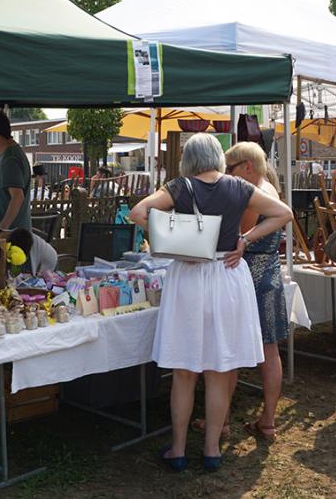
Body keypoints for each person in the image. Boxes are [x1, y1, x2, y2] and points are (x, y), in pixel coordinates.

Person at [130, 133, 292, 472]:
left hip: (189, 276)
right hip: (227, 274)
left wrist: (173, 241)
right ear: (218, 156)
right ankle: (212, 449)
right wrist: (246, 239)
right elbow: (283, 213)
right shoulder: (238, 187)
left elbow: (138, 212)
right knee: (220, 370)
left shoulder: (180, 186)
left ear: (188, 159)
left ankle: (177, 449)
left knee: (184, 371)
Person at [218, 142, 287, 442]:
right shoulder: (270, 187)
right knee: (270, 353)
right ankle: (268, 422)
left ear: (246, 166)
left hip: (249, 278)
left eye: (229, 169)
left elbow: (235, 237)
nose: (225, 175)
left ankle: (220, 421)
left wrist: (241, 237)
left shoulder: (251, 197)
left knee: (231, 352)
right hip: (271, 275)